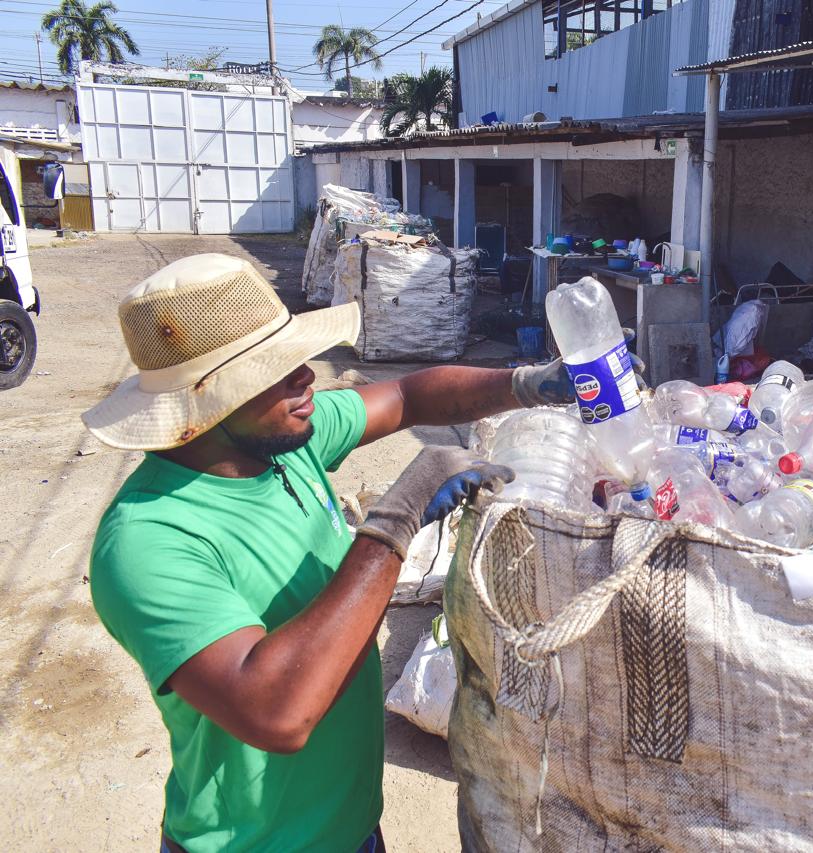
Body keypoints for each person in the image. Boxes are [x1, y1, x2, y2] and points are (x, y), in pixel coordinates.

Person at [82, 253, 584, 852]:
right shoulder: (150, 539)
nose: (306, 378)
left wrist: (528, 384)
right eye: (272, 369)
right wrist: (395, 522)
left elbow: (406, 395)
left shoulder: (283, 444)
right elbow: (278, 712)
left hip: (350, 829)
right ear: (204, 402)